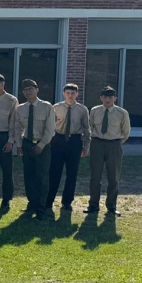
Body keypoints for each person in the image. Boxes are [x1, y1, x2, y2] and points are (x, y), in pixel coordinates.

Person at [86, 86, 131, 217]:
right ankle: (93, 205)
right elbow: (91, 126)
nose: (107, 100)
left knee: (114, 178)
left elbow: (126, 132)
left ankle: (111, 206)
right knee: (95, 176)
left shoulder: (122, 113)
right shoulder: (94, 111)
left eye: (110, 97)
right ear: (101, 98)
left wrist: (115, 143)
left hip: (114, 145)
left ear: (115, 98)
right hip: (97, 144)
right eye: (105, 97)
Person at [14, 79, 55, 220]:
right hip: (26, 144)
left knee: (42, 177)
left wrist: (41, 145)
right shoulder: (20, 108)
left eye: (31, 89)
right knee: (28, 176)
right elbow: (18, 128)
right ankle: (31, 203)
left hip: (42, 145)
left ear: (37, 90)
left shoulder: (46, 106)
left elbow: (50, 129)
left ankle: (41, 207)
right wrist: (19, 145)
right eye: (25, 90)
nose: (28, 92)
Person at [46, 84, 90, 212]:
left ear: (77, 94)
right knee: (54, 172)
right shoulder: (56, 107)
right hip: (58, 140)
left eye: (73, 93)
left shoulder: (82, 109)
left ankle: (67, 202)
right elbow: (49, 125)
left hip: (74, 141)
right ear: (64, 94)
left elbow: (87, 128)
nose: (70, 95)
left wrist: (86, 145)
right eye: (68, 93)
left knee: (72, 173)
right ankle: (49, 201)